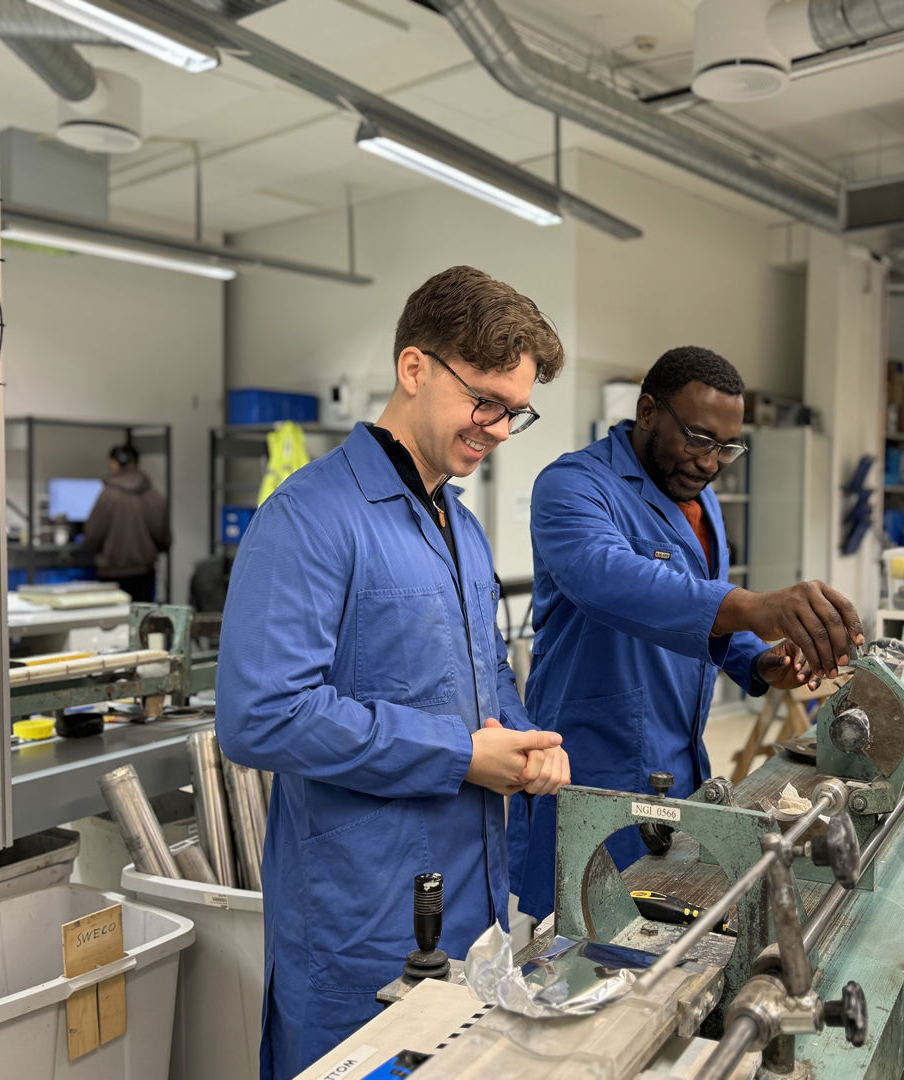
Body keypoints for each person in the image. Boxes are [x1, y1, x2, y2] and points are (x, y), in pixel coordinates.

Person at [215, 266, 571, 1080]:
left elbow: (484, 683)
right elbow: (261, 714)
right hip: (360, 924)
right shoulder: (309, 517)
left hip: (474, 909)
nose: (502, 430)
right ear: (415, 370)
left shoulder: (463, 528)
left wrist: (524, 743)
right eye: (487, 402)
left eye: (517, 412)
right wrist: (456, 754)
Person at [508, 346, 866, 920]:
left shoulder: (701, 503)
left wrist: (756, 660)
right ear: (647, 411)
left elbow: (698, 606)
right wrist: (754, 606)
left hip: (679, 759)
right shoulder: (574, 486)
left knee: (669, 926)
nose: (710, 463)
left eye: (727, 448)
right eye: (699, 439)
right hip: (590, 766)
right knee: (579, 935)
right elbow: (612, 580)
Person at [82, 445, 170, 602]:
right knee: (141, 622)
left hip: (111, 574)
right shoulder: (153, 495)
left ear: (115, 463)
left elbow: (93, 535)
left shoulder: (108, 496)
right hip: (144, 573)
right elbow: (163, 539)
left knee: (112, 623)